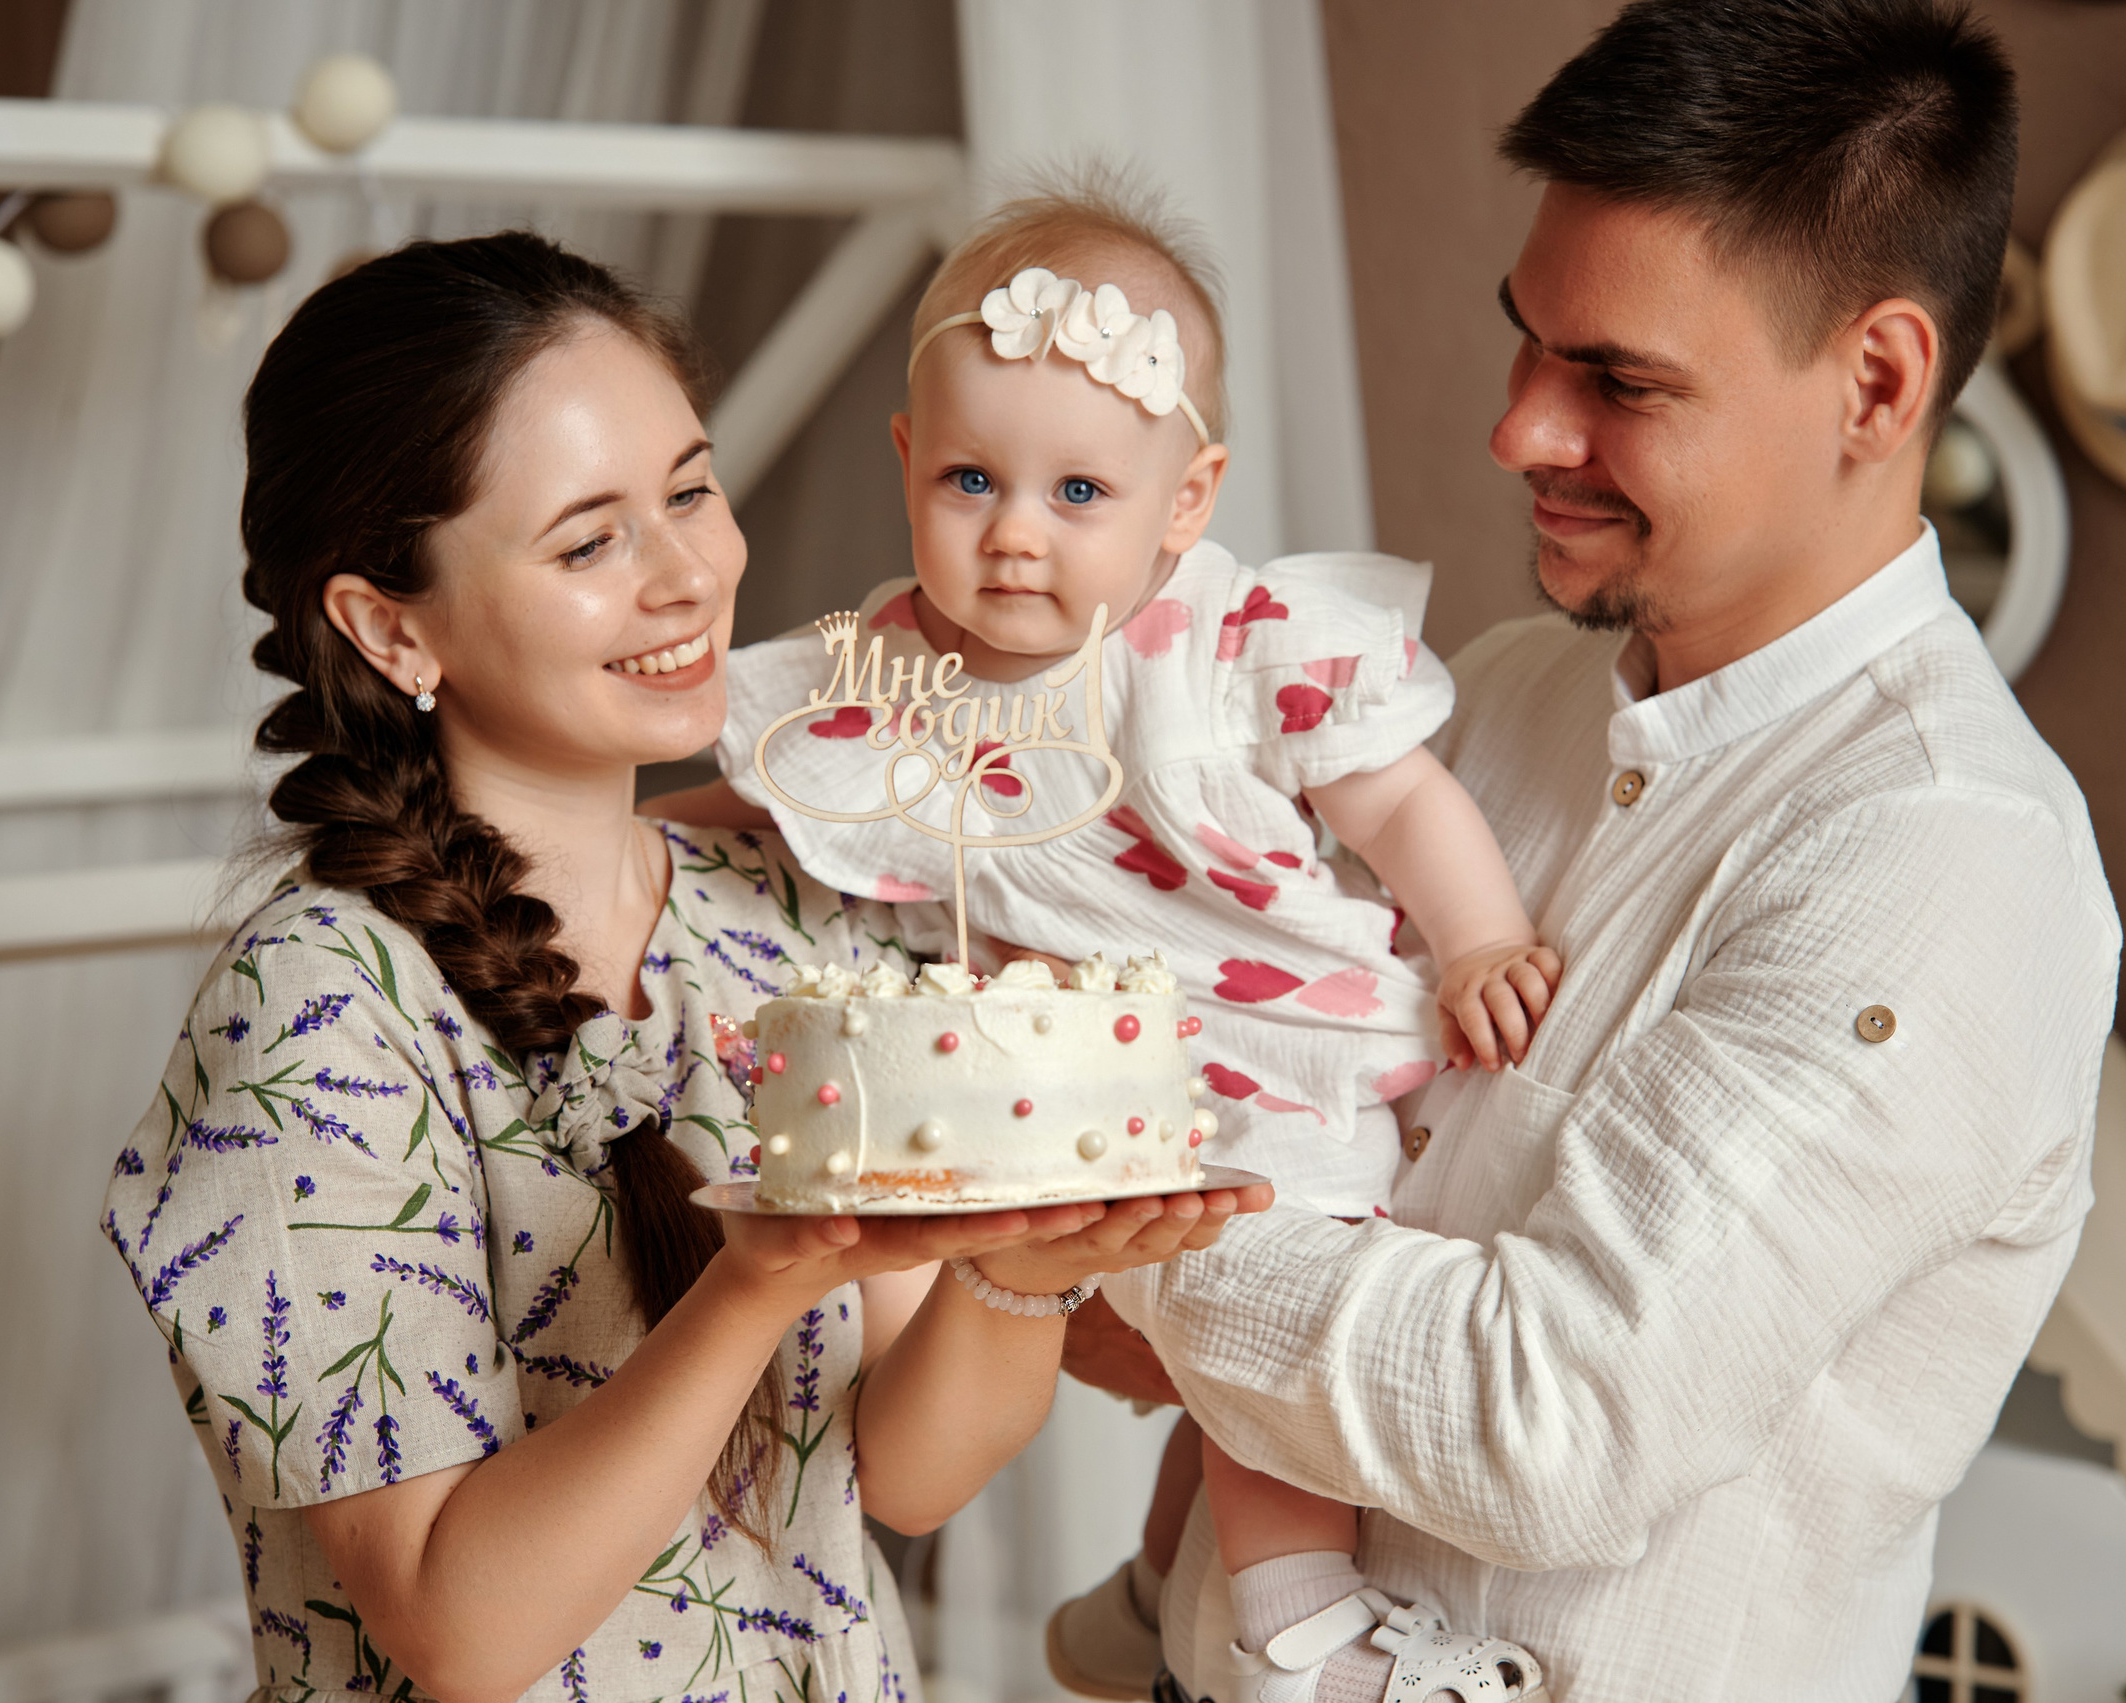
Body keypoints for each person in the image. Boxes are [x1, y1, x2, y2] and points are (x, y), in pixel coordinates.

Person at [1079, 3, 2123, 1701]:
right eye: (1528, 342)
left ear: (1877, 381)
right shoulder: (1474, 708)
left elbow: (1541, 1423)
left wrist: (1132, 1227)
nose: (1520, 432)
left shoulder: (1949, 866)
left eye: (1618, 382)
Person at [99, 231, 1270, 1703]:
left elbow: (903, 1480)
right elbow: (461, 1634)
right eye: (590, 542)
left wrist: (1021, 1283)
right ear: (391, 625)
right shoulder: (320, 1009)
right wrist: (751, 1288)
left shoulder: (786, 914)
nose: (688, 577)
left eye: (692, 492)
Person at [654, 187, 1562, 1701]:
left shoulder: (1218, 644)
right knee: (1228, 1304)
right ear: (907, 465)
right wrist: (627, 836)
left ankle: (1218, 1609)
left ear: (1185, 501)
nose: (1015, 535)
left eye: (1080, 493)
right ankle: (1237, 1607)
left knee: (1270, 1297)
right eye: (968, 480)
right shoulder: (884, 670)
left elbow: (1398, 796)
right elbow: (759, 788)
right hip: (1075, 1080)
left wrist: (1479, 942)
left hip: (1268, 1034)